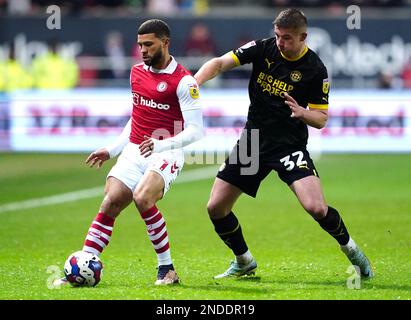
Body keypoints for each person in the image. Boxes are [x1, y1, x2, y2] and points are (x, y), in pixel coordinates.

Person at [194, 8, 373, 280]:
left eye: (287, 38)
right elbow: (219, 63)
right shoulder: (263, 48)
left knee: (317, 208)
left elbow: (322, 118)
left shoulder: (315, 69)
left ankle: (353, 251)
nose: (281, 43)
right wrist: (194, 84)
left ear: (303, 37)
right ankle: (244, 261)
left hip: (289, 146)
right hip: (253, 141)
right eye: (278, 36)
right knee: (215, 207)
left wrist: (303, 113)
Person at [54, 19, 204, 286]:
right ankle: (84, 266)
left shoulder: (184, 81)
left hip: (167, 151)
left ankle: (167, 269)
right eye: (139, 45)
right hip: (135, 149)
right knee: (111, 201)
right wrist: (111, 149)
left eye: (148, 44)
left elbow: (195, 131)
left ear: (165, 42)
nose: (142, 50)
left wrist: (162, 145)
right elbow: (136, 116)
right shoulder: (136, 72)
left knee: (143, 197)